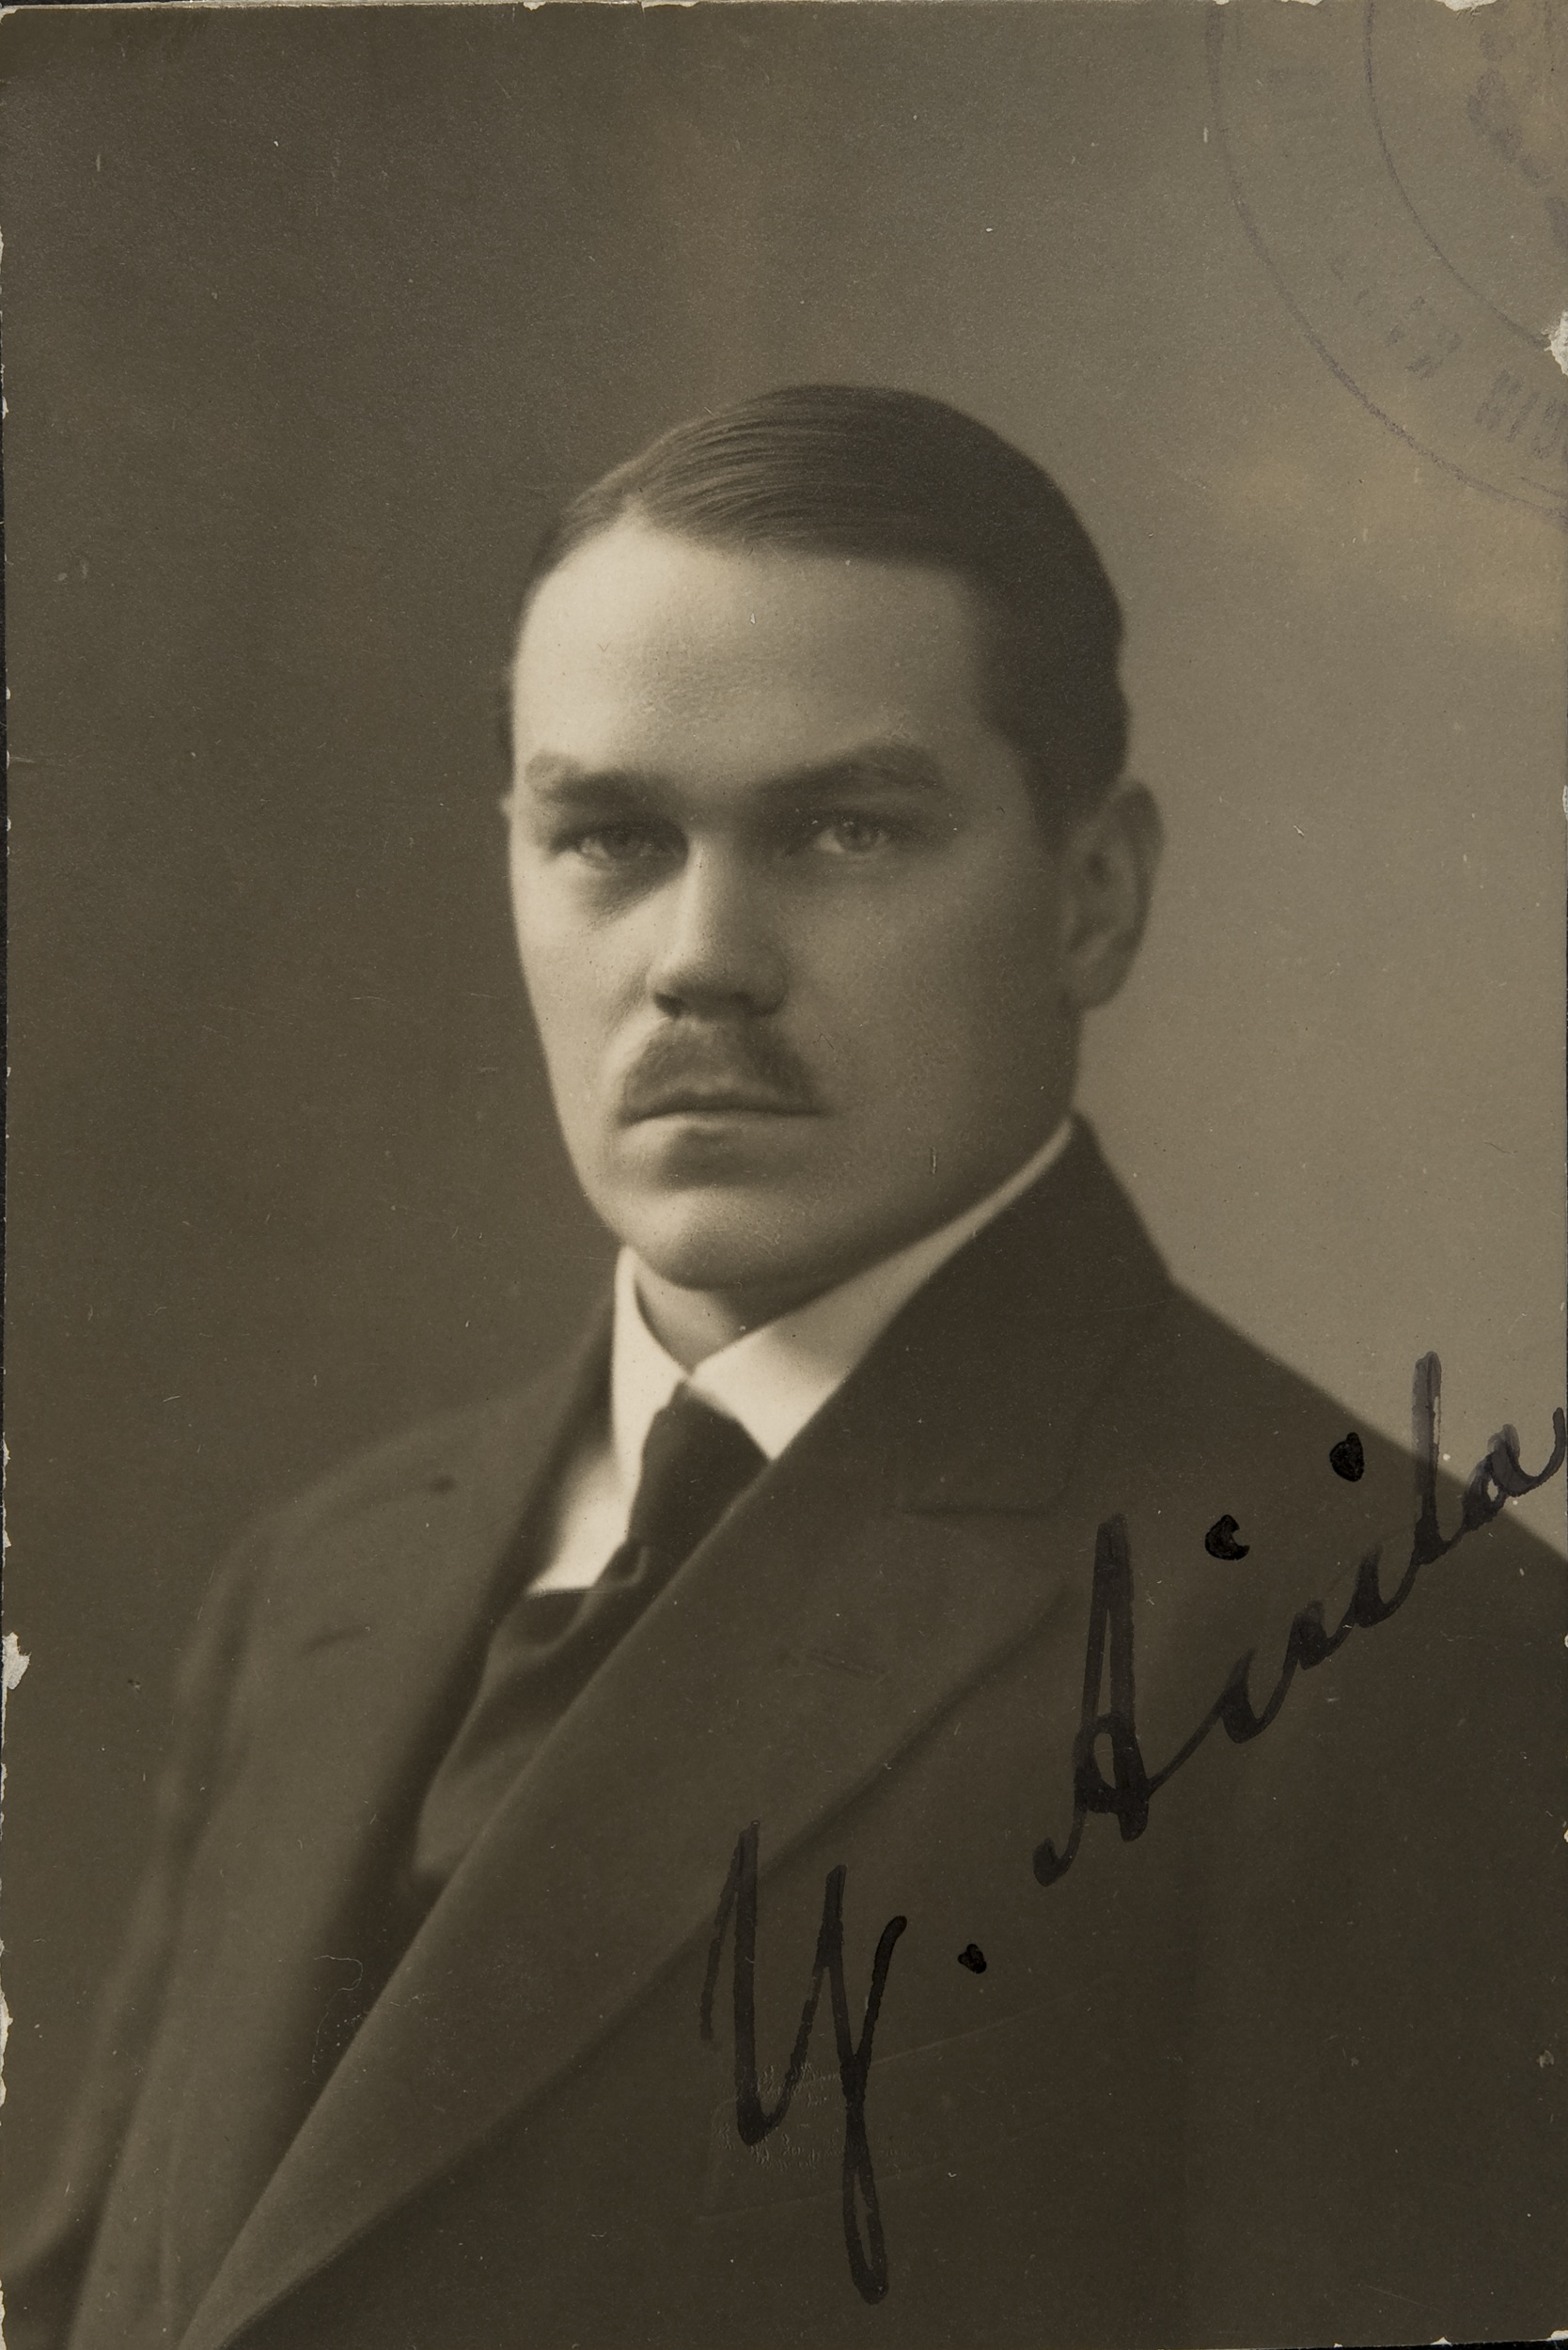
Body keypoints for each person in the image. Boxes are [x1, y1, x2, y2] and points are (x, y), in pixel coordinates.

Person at [10, 386, 1564, 2350]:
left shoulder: (1377, 1642)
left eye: (846, 830)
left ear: (1094, 895)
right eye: (608, 835)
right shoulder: (322, 1581)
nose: (701, 957)